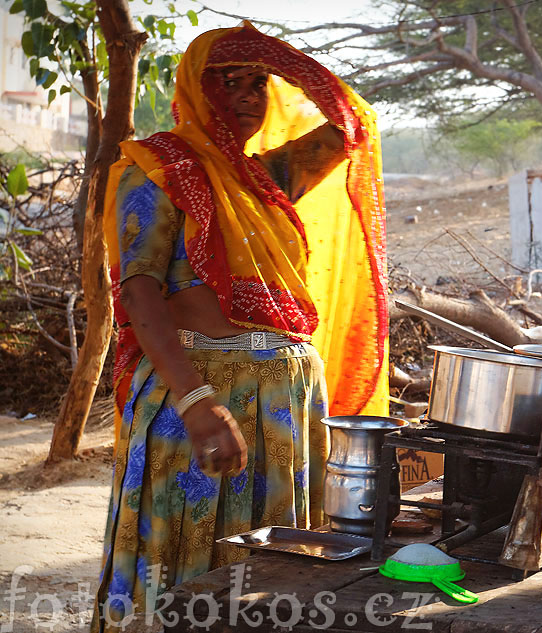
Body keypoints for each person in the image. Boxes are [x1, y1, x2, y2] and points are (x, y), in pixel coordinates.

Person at [92, 23, 388, 631]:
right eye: (231, 81)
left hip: (284, 412)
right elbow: (139, 290)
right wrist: (196, 402)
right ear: (196, 90)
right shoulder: (156, 167)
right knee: (185, 569)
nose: (252, 96)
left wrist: (285, 60)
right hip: (199, 395)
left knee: (269, 576)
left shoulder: (266, 180)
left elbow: (351, 124)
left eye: (262, 83)